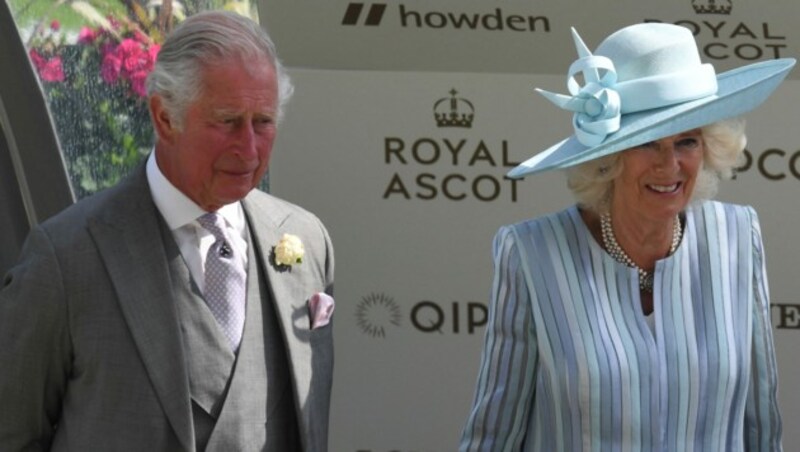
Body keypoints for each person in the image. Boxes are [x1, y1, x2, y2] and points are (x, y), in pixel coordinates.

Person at [0, 11, 335, 451]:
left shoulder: (306, 242)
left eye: (263, 122)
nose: (249, 148)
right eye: (228, 121)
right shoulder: (65, 257)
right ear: (164, 117)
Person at [461, 23, 794, 451]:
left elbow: (761, 427)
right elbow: (495, 433)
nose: (669, 165)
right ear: (608, 157)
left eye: (687, 141)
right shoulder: (532, 252)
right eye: (647, 144)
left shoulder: (737, 237)